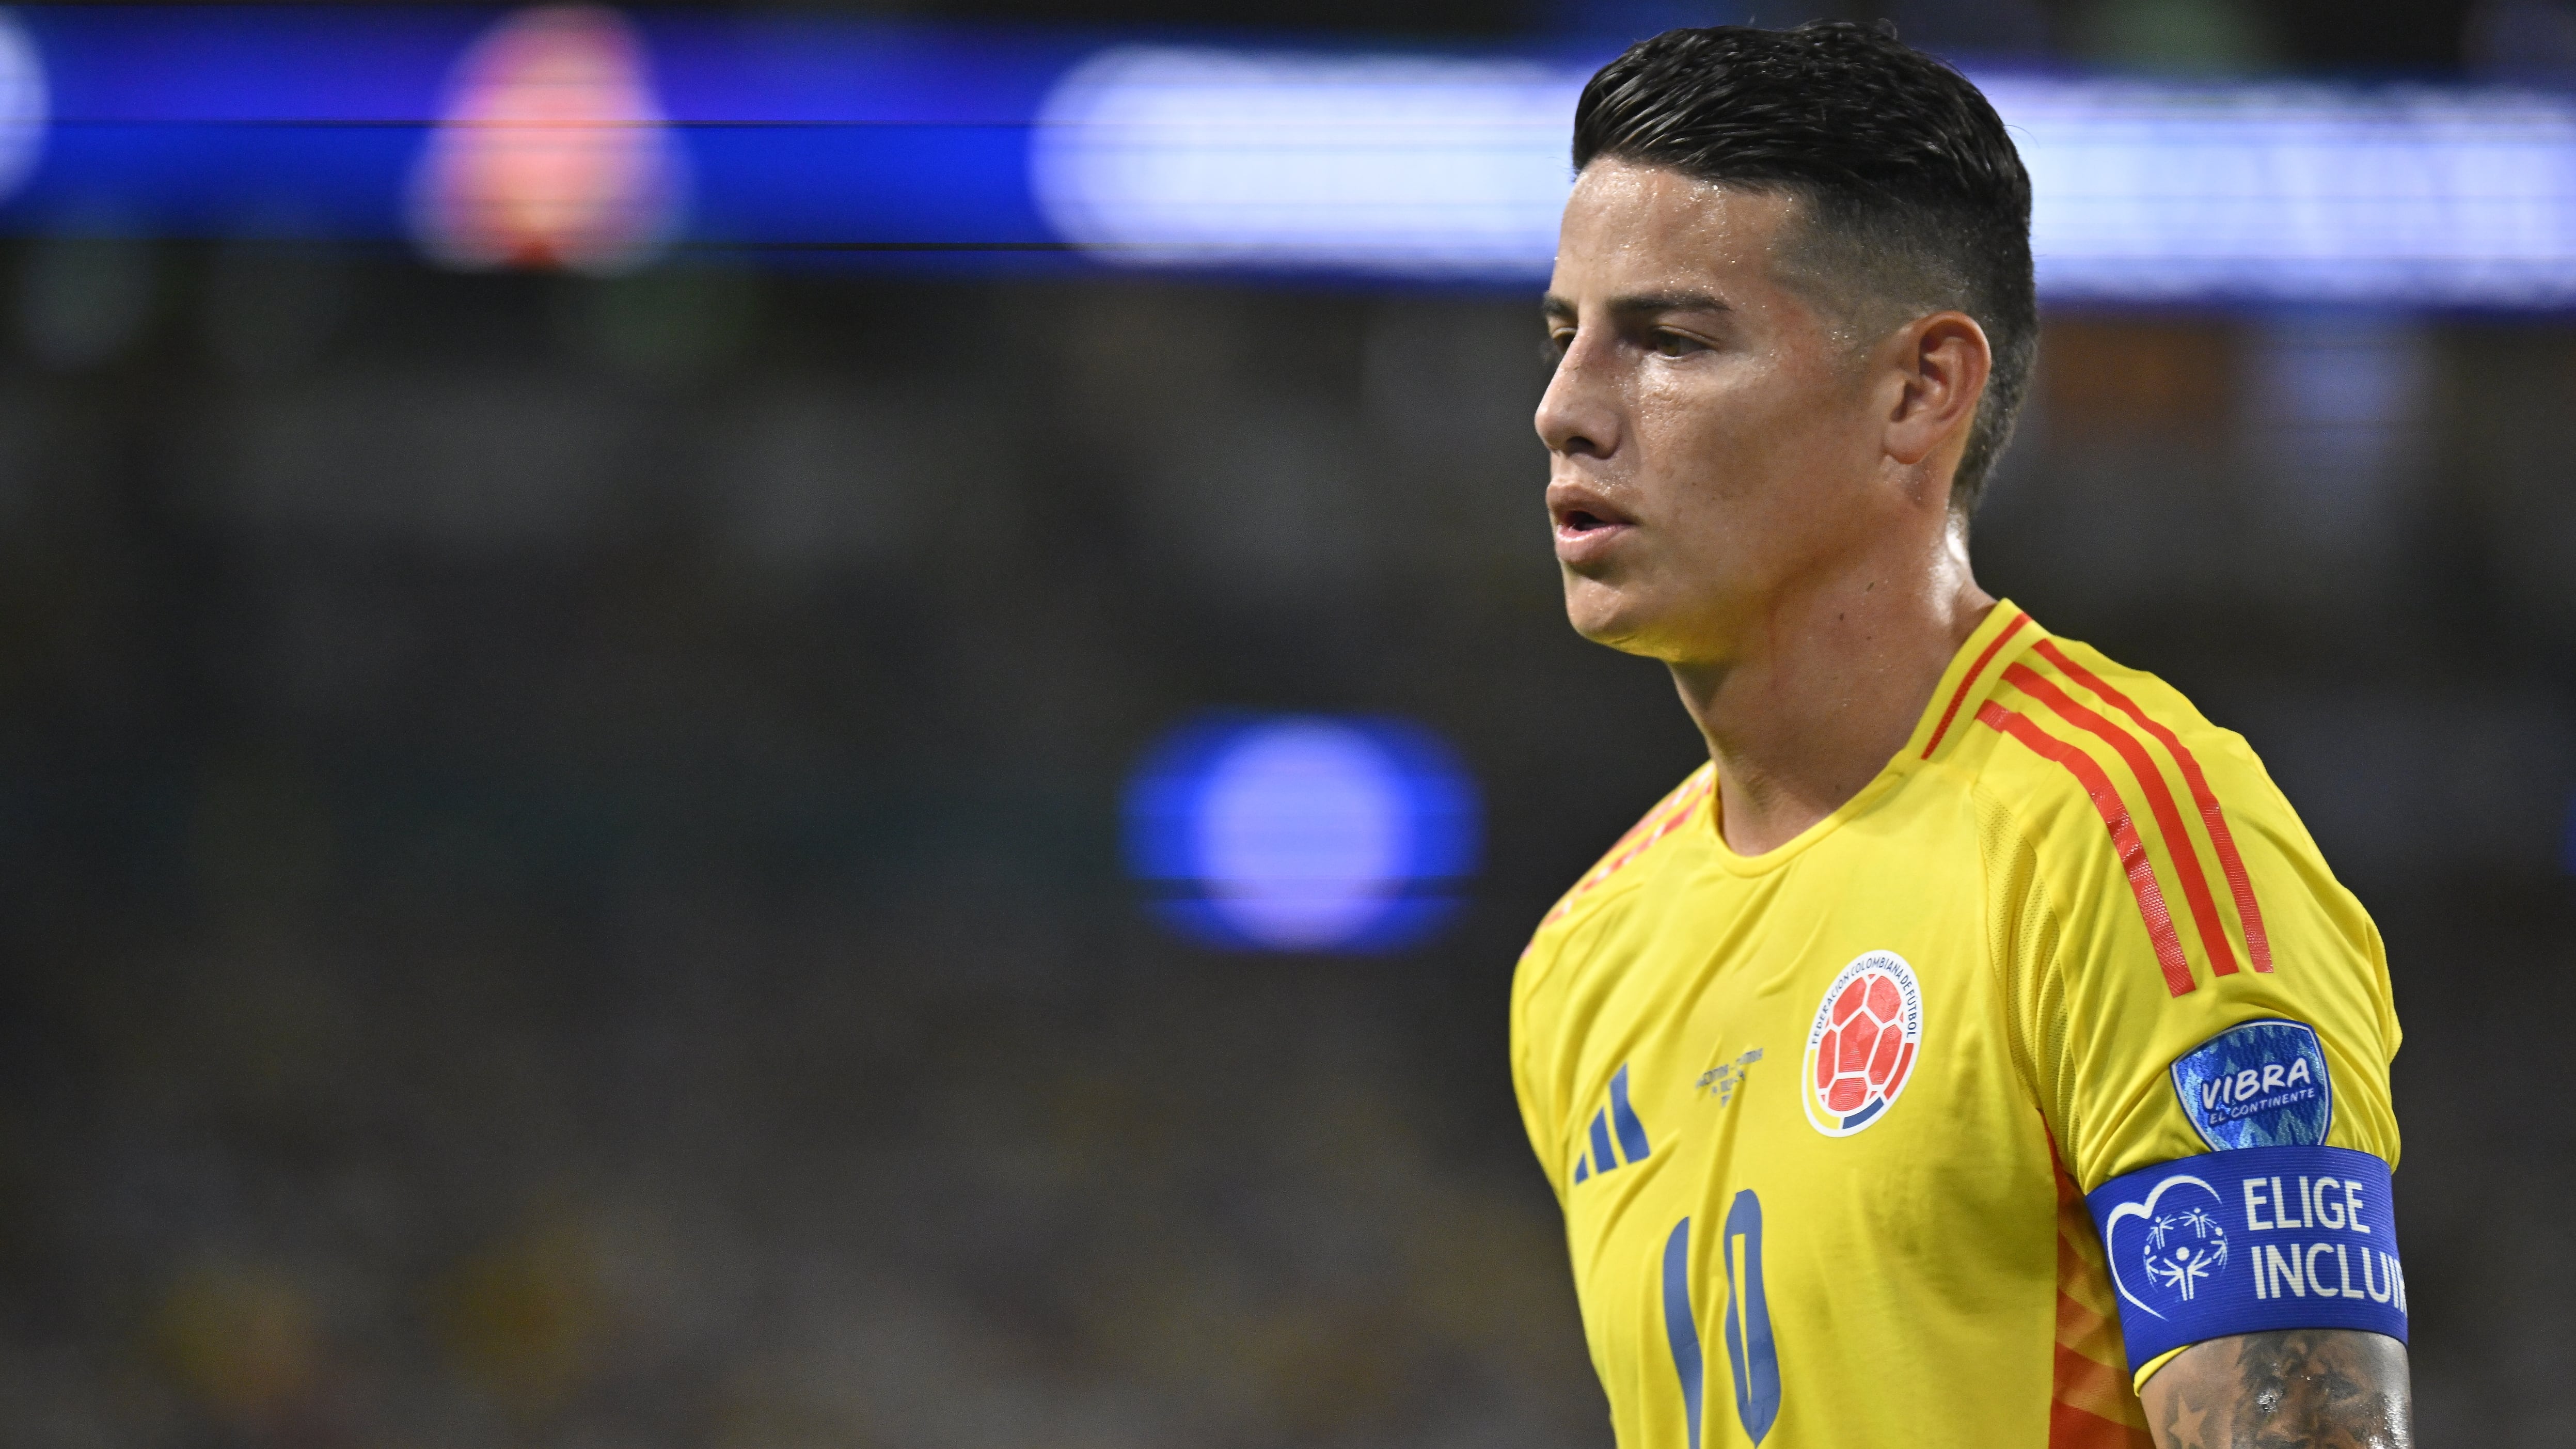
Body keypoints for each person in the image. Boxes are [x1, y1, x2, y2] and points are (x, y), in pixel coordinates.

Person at [1511, 22, 2410, 1449]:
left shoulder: (2122, 835)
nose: (1564, 411)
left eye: (1671, 341)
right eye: (1566, 339)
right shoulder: (1583, 964)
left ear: (1920, 391)